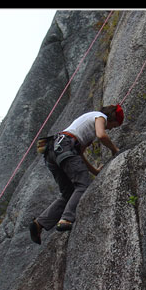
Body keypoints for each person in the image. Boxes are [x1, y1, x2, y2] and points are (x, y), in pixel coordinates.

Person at [29, 104, 124, 244]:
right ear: (112, 118)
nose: (111, 128)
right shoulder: (100, 117)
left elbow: (79, 155)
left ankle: (40, 223)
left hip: (52, 152)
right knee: (83, 185)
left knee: (69, 193)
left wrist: (95, 171)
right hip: (66, 147)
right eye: (114, 126)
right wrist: (115, 149)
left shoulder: (86, 128)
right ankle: (66, 219)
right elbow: (102, 135)